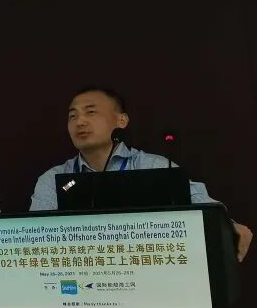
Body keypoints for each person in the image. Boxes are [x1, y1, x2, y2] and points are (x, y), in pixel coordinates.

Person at [29, 86, 252, 261]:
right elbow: (37, 237)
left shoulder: (154, 166)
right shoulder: (52, 179)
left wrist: (228, 225)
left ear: (121, 120)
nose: (80, 122)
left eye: (91, 112)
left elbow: (205, 208)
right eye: (72, 116)